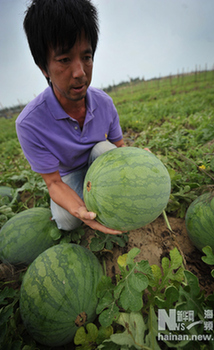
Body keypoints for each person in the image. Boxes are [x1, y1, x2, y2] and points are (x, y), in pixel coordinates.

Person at [16, 0, 125, 235]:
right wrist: (80, 210)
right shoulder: (29, 124)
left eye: (86, 57)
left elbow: (120, 150)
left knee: (104, 150)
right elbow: (53, 182)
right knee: (66, 220)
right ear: (43, 67)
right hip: (69, 176)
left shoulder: (104, 103)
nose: (80, 72)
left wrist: (139, 160)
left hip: (100, 163)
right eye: (64, 60)